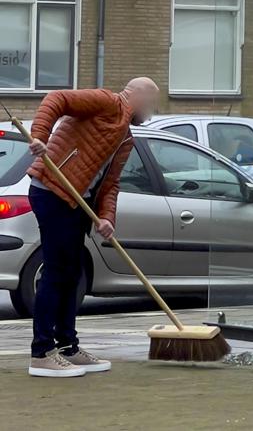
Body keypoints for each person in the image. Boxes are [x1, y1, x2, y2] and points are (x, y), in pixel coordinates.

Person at [26, 78, 159, 378]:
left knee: (73, 273)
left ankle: (67, 347)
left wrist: (107, 217)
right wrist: (40, 136)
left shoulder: (126, 138)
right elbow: (56, 98)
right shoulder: (106, 102)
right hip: (51, 189)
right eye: (151, 105)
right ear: (138, 96)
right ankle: (42, 352)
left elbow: (110, 183)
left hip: (77, 202)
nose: (152, 112)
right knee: (57, 271)